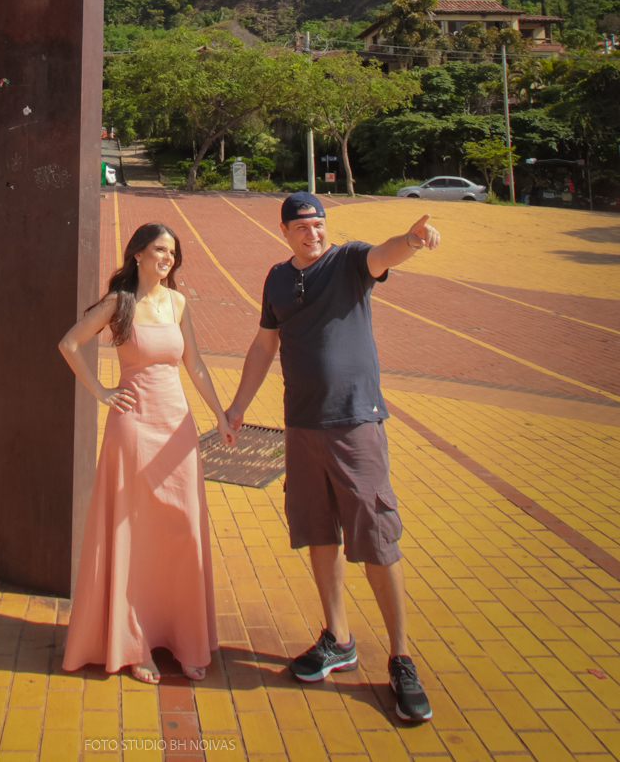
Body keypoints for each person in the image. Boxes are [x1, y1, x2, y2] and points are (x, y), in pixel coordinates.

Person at [226, 192, 438, 724]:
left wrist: (411, 240)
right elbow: (263, 346)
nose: (312, 232)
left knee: (375, 539)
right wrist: (236, 407)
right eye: (301, 225)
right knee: (318, 534)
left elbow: (384, 254)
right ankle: (338, 638)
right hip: (300, 425)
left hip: (354, 422)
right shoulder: (276, 279)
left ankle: (400, 656)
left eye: (318, 223)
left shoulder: (348, 262)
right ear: (284, 230)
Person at [59, 222, 233, 684]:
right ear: (137, 253)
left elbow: (193, 362)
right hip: (133, 430)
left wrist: (218, 413)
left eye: (172, 252)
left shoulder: (177, 303)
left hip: (178, 430)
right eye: (160, 249)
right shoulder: (120, 303)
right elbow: (69, 343)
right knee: (135, 536)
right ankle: (136, 645)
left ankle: (185, 636)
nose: (168, 258)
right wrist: (100, 392)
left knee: (182, 529)